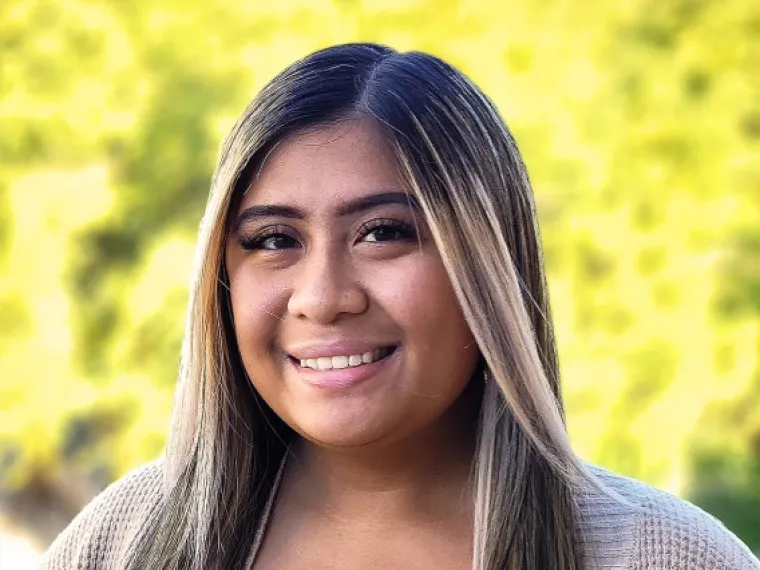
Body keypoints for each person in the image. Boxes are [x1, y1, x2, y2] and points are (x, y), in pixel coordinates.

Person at [39, 43, 759, 570]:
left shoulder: (660, 556)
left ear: (488, 264)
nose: (323, 297)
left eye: (384, 233)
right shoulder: (129, 539)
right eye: (274, 239)